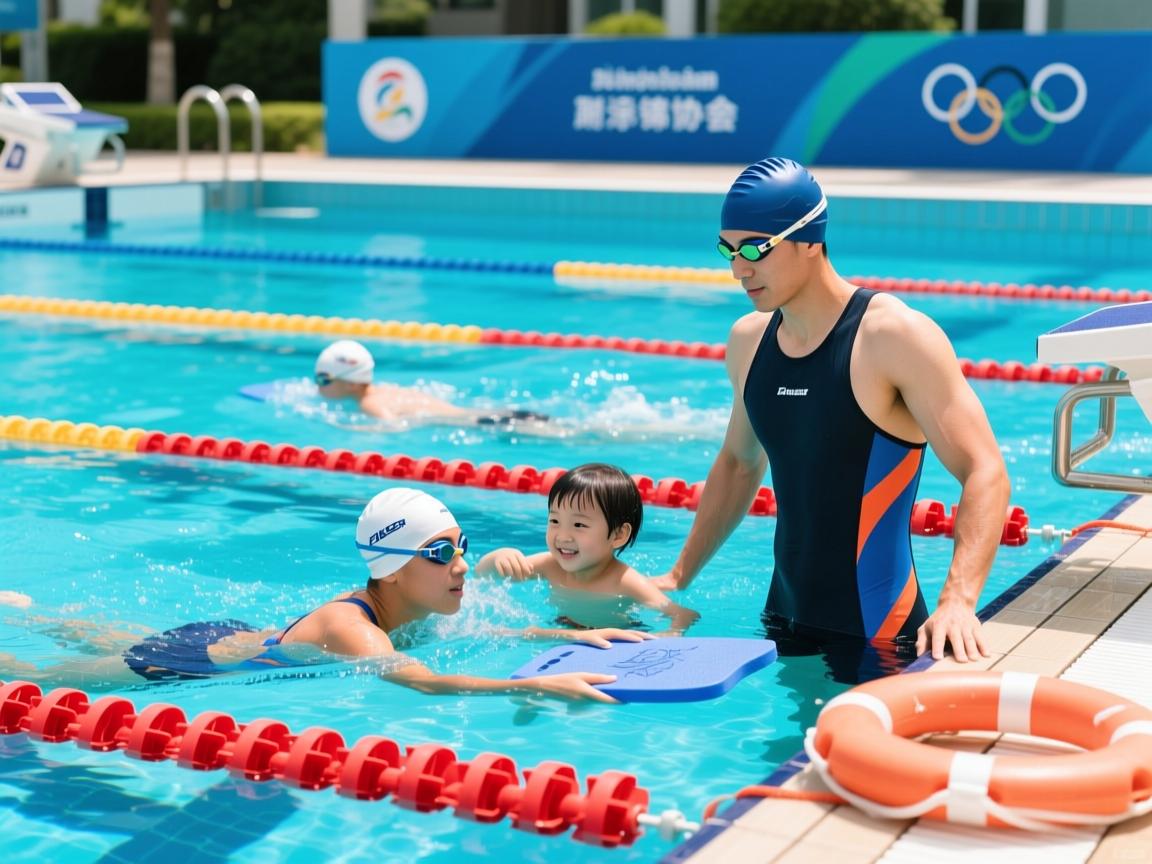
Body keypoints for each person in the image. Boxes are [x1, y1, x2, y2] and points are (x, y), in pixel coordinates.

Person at [652, 156, 1009, 682]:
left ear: (810, 239)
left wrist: (958, 599)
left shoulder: (892, 337)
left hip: (880, 637)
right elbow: (737, 463)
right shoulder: (749, 342)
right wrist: (678, 575)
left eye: (755, 249)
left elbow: (986, 470)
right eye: (728, 249)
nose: (738, 269)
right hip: (783, 621)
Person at [1, 488, 655, 702]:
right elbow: (428, 682)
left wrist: (568, 636)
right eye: (440, 553)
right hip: (192, 661)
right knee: (47, 678)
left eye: (462, 543)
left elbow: (480, 637)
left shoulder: (414, 603)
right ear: (393, 569)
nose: (463, 564)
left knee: (102, 633)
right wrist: (538, 686)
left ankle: (33, 611)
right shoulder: (354, 630)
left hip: (226, 633)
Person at [475, 464, 699, 632]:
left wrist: (670, 635)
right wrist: (499, 557)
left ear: (619, 535)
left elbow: (683, 614)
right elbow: (481, 575)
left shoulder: (625, 582)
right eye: (554, 521)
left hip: (617, 640)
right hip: (564, 630)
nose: (563, 536)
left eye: (579, 525)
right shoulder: (549, 565)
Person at [313, 339, 551, 429]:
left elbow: (394, 426)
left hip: (486, 423)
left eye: (324, 379)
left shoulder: (369, 403)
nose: (318, 386)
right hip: (490, 415)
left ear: (352, 384)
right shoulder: (385, 390)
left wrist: (355, 428)